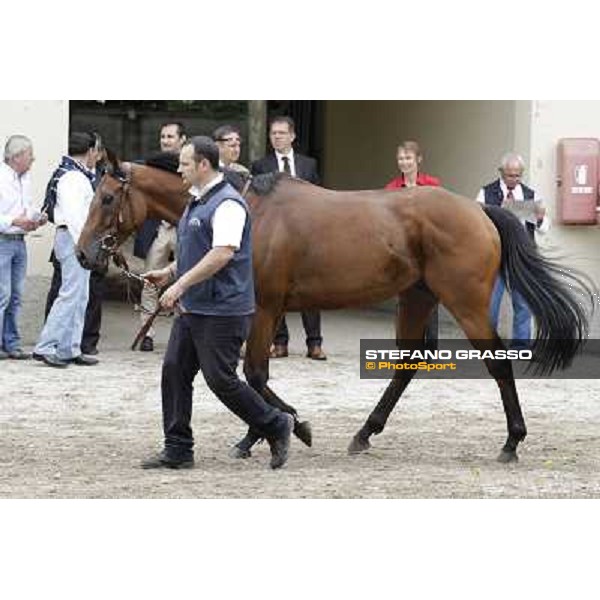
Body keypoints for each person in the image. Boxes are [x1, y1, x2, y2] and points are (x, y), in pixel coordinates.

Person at [140, 136, 294, 470]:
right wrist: (169, 272)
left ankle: (276, 423)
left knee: (220, 379)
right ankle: (178, 448)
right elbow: (199, 249)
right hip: (195, 307)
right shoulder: (197, 201)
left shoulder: (227, 204)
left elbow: (223, 253)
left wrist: (179, 285)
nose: (179, 168)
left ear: (203, 165)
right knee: (174, 372)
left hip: (223, 309)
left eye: (184, 163)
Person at [251, 115, 327, 360]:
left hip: (308, 236)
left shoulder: (309, 165)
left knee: (311, 287)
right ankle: (280, 342)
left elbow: (320, 198)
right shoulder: (260, 166)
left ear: (292, 136)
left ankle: (314, 343)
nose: (277, 137)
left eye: (282, 133)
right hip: (278, 238)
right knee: (275, 288)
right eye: (273, 133)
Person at [33, 132, 100, 368]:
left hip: (75, 238)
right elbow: (75, 217)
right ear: (90, 151)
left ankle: (69, 348)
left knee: (80, 295)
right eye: (96, 151)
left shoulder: (74, 174)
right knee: (71, 294)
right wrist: (85, 245)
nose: (98, 156)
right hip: (74, 238)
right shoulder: (73, 177)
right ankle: (46, 346)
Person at [476, 152, 548, 350]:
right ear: (501, 172)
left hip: (521, 257)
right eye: (509, 175)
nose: (513, 180)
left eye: (517, 176)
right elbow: (477, 224)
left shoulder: (531, 195)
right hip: (495, 255)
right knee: (491, 303)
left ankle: (521, 345)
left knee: (523, 304)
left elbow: (543, 229)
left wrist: (541, 218)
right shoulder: (485, 193)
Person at [133, 122, 187, 352]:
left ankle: (183, 331)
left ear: (182, 139)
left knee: (187, 279)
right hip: (158, 229)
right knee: (149, 281)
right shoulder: (151, 165)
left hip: (184, 229)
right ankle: (147, 332)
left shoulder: (190, 164)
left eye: (170, 136)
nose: (166, 140)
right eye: (163, 136)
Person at [385, 140, 441, 350]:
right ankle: (405, 347)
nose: (404, 162)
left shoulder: (432, 185)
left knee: (430, 298)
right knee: (404, 299)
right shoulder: (391, 188)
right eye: (400, 158)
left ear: (418, 160)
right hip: (404, 252)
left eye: (408, 158)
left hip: (428, 250)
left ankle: (430, 347)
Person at [0, 135, 47, 360]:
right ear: (16, 156)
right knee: (2, 295)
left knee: (16, 295)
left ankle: (11, 344)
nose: (33, 159)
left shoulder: (24, 179)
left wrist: (37, 218)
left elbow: (27, 208)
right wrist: (14, 221)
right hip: (2, 241)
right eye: (30, 155)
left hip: (19, 242)